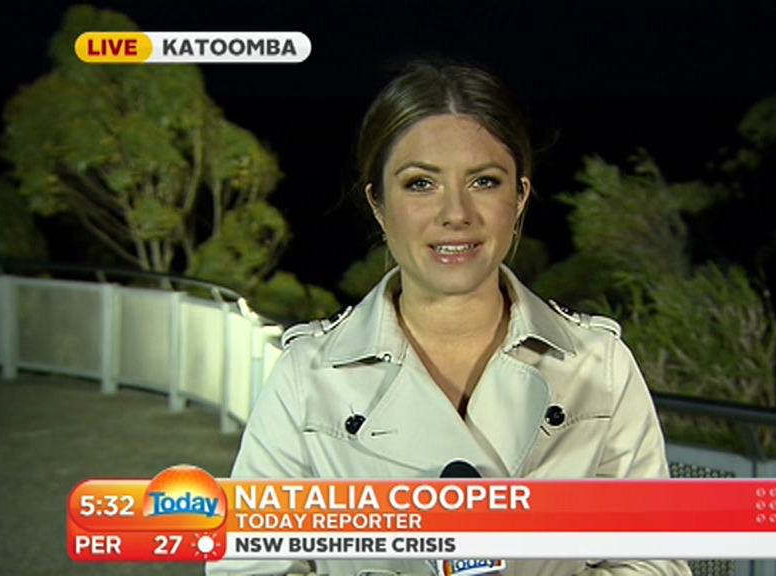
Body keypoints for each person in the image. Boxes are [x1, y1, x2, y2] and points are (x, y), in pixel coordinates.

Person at [207, 60, 691, 576]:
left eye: (484, 181)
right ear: (378, 203)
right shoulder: (307, 375)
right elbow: (249, 567)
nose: (456, 213)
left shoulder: (599, 367)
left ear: (519, 197)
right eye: (421, 184)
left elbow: (652, 562)